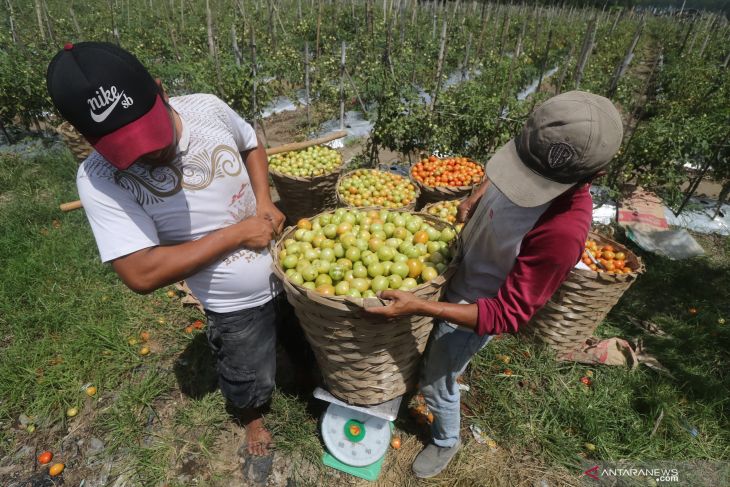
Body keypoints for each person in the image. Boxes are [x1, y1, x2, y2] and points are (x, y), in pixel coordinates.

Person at [46, 42, 312, 458]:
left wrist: (263, 200)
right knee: (247, 367)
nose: (151, 151)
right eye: (128, 147)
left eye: (152, 132)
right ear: (88, 138)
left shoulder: (207, 108)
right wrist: (238, 235)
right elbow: (141, 273)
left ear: (161, 90)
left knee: (301, 335)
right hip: (231, 301)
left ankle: (303, 371)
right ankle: (252, 415)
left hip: (291, 270)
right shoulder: (98, 178)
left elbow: (250, 143)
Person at [367, 91, 623, 478]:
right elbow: (500, 178)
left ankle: (446, 438)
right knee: (430, 352)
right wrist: (474, 198)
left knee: (438, 378)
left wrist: (421, 306)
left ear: (596, 177)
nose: (521, 182)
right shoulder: (529, 157)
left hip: (475, 306)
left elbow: (506, 314)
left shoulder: (562, 232)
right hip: (457, 272)